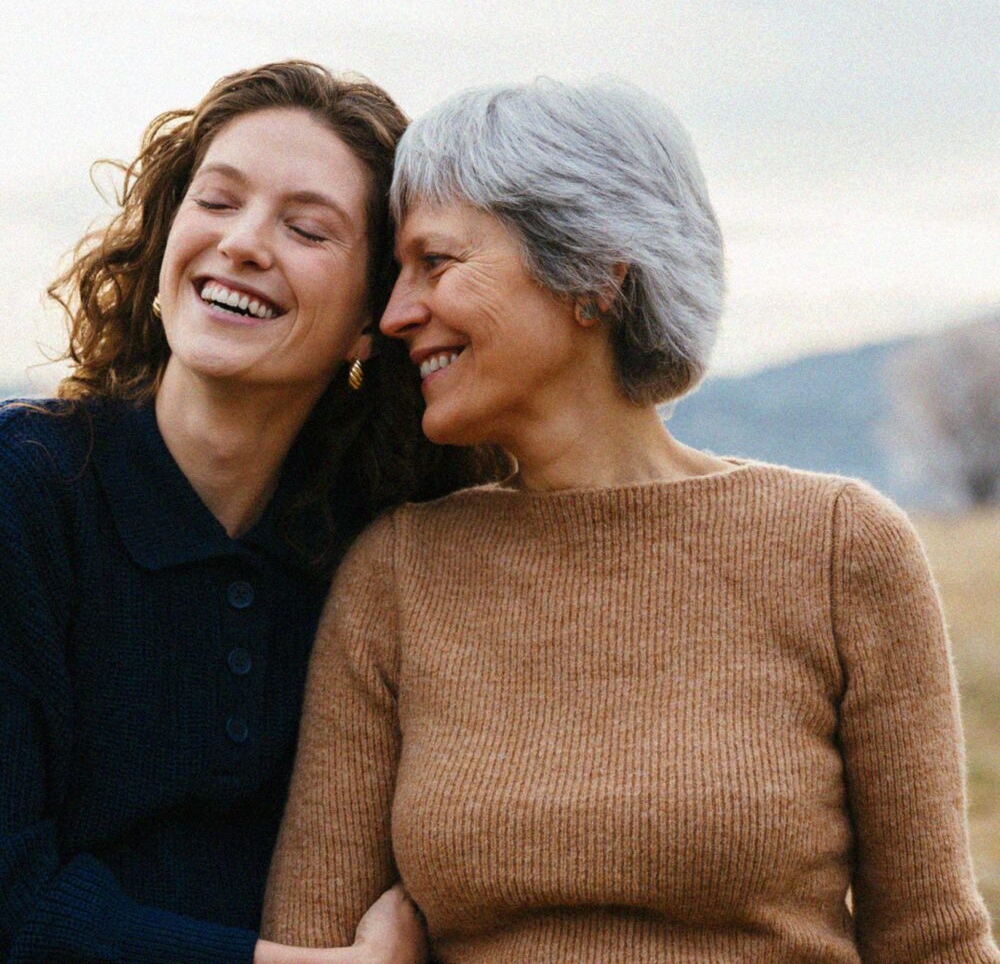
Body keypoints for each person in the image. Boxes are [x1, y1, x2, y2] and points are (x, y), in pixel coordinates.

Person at [261, 78, 1000, 962]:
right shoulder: (399, 574)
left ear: (595, 275)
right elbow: (312, 944)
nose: (395, 315)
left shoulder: (840, 547)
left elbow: (932, 941)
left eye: (437, 262)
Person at [0, 60, 499, 964]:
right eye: (217, 202)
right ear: (161, 251)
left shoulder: (386, 546)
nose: (242, 244)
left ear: (366, 322)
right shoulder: (23, 492)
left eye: (306, 228)